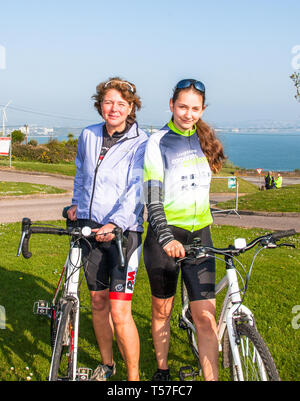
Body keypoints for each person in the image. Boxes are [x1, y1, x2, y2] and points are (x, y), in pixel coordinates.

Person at [143, 79, 225, 381]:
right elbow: (152, 198)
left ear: (202, 109)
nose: (188, 114)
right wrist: (165, 238)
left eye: (194, 108)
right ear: (171, 105)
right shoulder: (158, 142)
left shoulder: (204, 140)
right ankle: (162, 370)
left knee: (206, 318)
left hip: (200, 235)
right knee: (162, 311)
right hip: (164, 238)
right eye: (182, 107)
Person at [67, 77, 148, 381]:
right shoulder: (88, 135)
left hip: (123, 235)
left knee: (120, 311)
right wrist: (76, 205)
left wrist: (116, 223)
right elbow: (80, 173)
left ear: (131, 108)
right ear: (100, 104)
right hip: (89, 228)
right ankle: (107, 365)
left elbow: (137, 188)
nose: (113, 108)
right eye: (108, 102)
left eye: (121, 103)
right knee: (98, 303)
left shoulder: (142, 142)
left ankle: (133, 377)